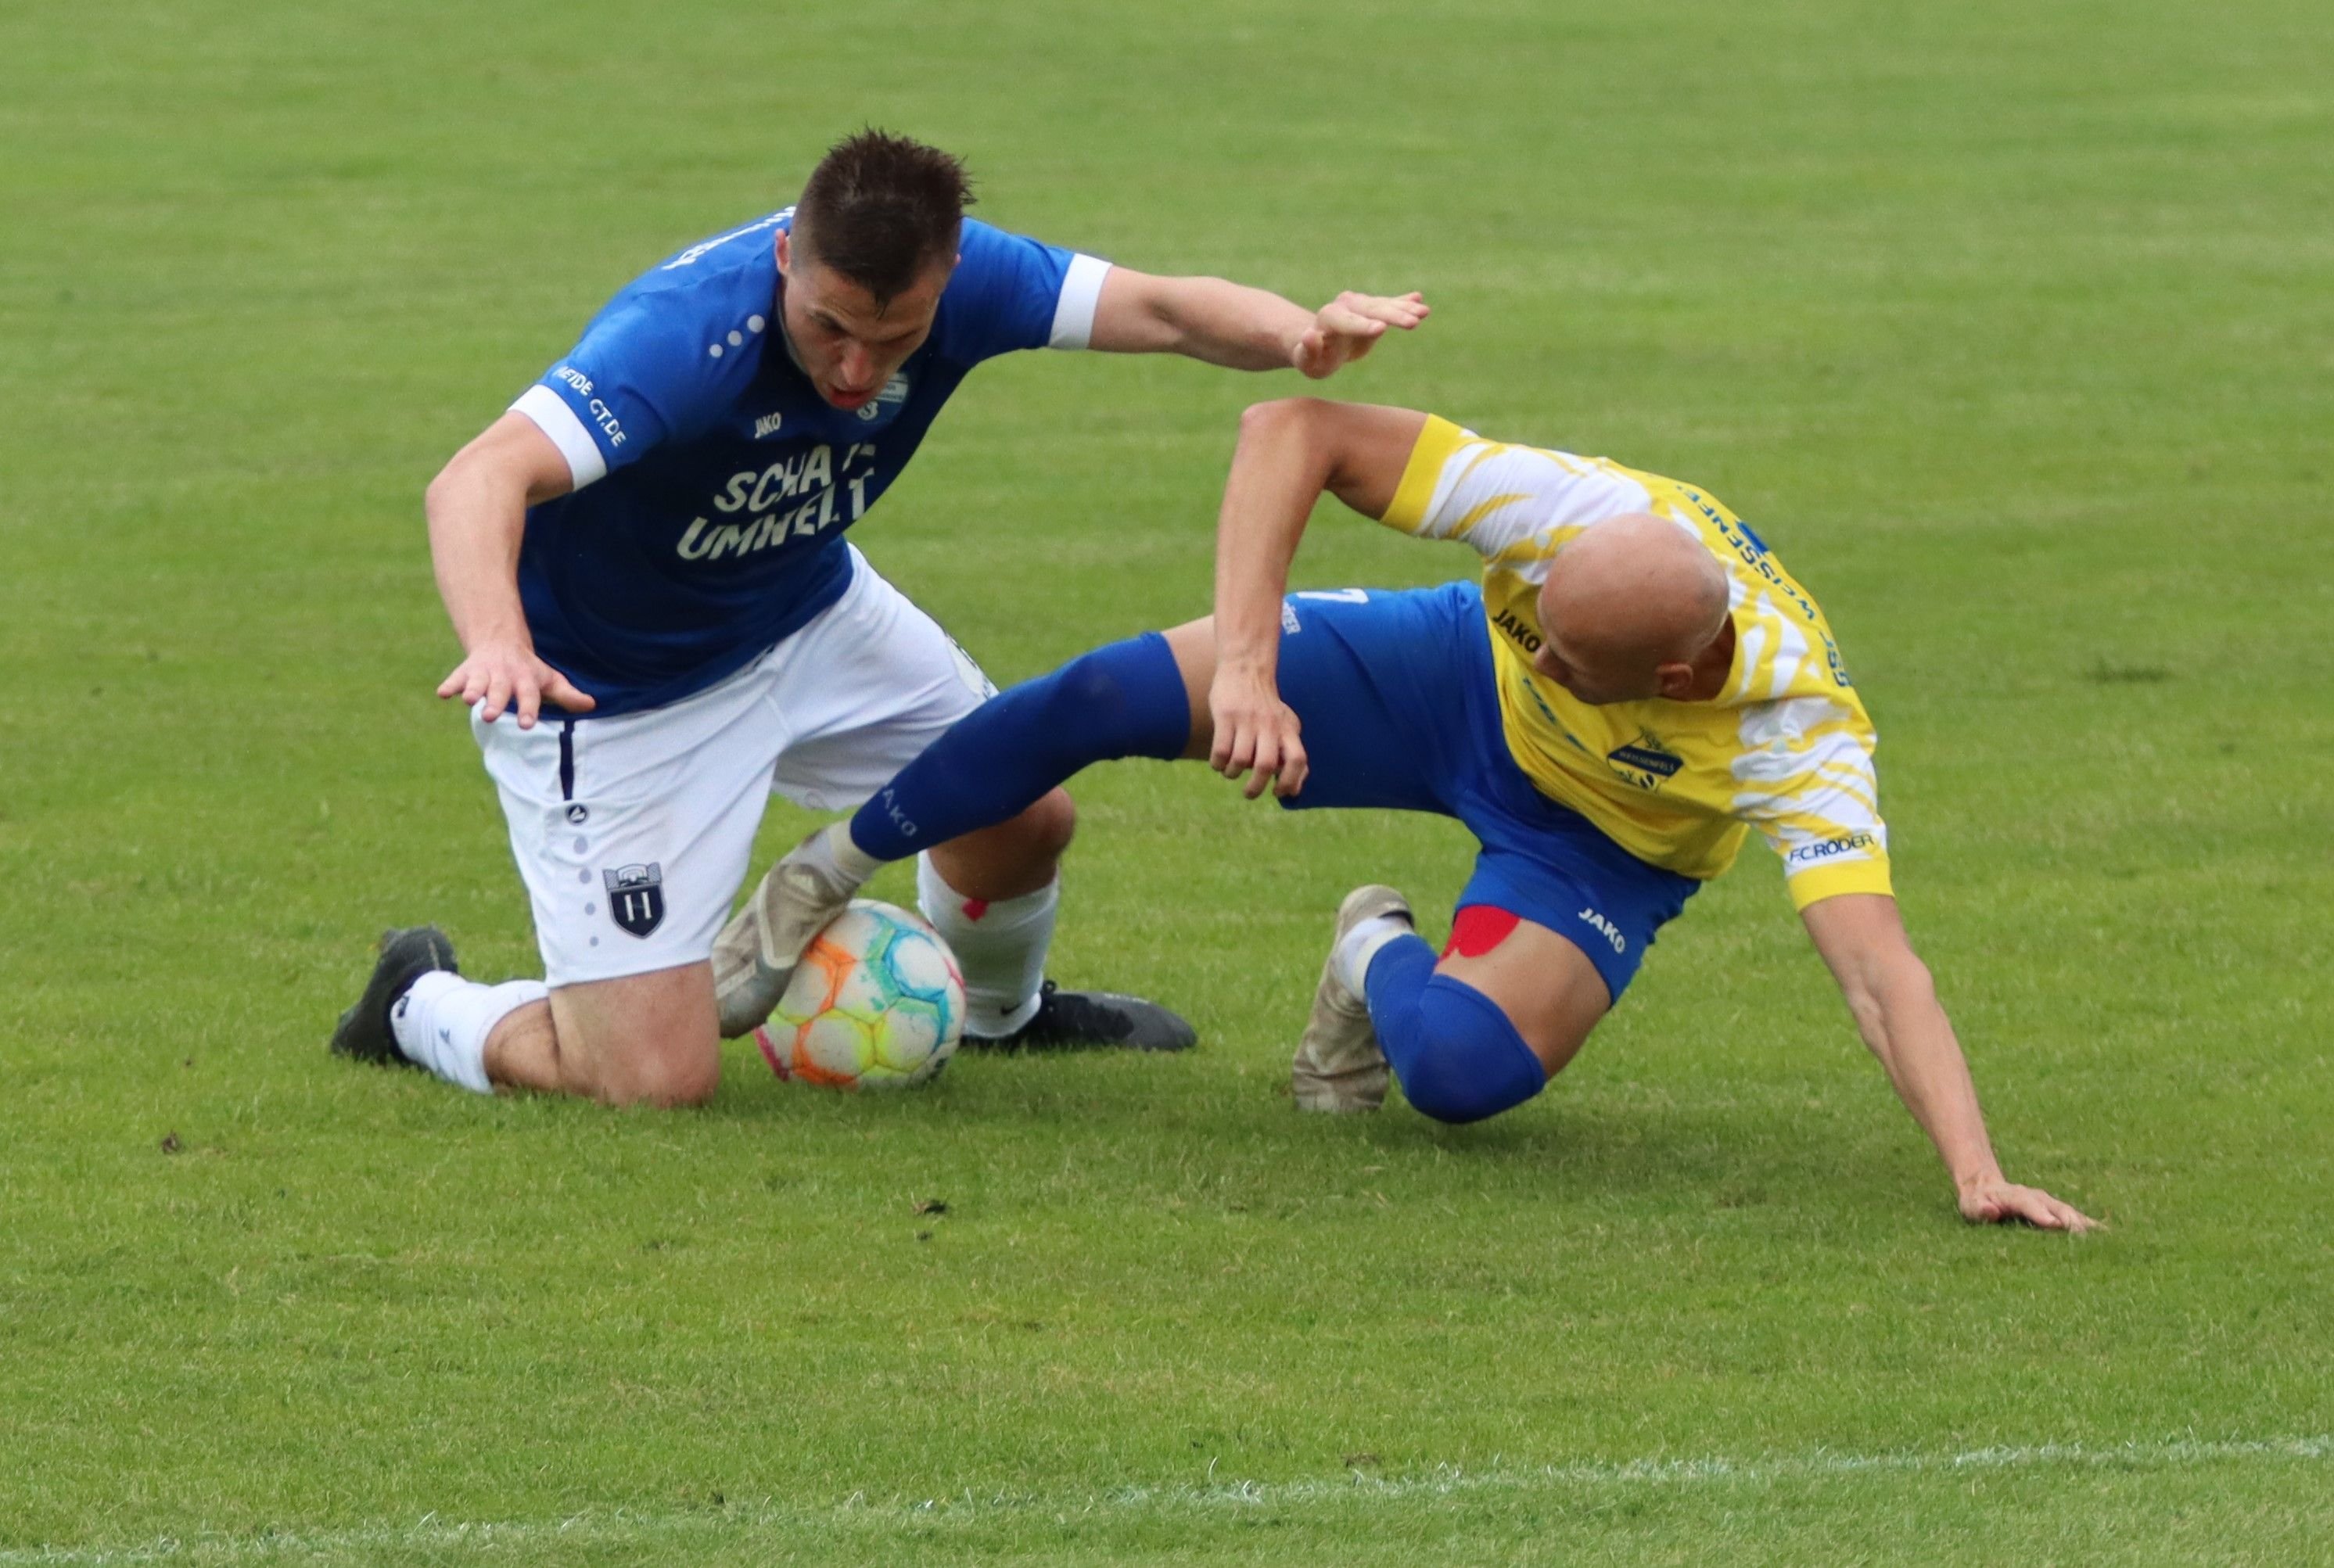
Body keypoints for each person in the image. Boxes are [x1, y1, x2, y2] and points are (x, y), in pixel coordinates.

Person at [719, 398, 2097, 1230]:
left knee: (1457, 1078)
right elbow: (1292, 431)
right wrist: (1250, 665)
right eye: (1544, 622)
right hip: (1442, 682)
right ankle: (816, 879)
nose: (1548, 650)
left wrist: (1976, 1170)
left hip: (1595, 841)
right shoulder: (1573, 514)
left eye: (1576, 658)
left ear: (1676, 680)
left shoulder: (1801, 736)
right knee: (1097, 693)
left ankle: (1368, 947)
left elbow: (1877, 968)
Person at [328, 131, 1429, 1107]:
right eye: (829, 328)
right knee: (650, 1082)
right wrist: (497, 642)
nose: (856, 370)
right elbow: (474, 481)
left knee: (1022, 813)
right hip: (616, 693)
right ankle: (422, 1000)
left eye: (894, 338)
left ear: (946, 281)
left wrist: (1301, 337)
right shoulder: (685, 337)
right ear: (784, 264)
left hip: (810, 612)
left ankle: (1005, 1013)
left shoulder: (975, 279)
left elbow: (1165, 308)